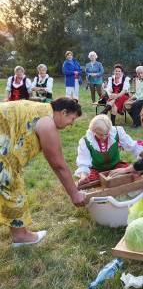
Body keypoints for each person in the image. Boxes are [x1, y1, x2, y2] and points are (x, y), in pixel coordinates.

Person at [0, 98, 86, 246]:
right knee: (10, 181)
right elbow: (57, 163)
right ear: (63, 112)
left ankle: (20, 235)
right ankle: (21, 236)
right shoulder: (47, 122)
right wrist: (75, 194)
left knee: (11, 180)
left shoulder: (40, 109)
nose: (71, 124)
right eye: (72, 119)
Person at [75, 114, 143, 185]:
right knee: (88, 181)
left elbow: (132, 146)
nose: (103, 137)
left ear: (109, 129)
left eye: (105, 134)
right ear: (93, 131)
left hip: (116, 166)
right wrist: (83, 176)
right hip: (96, 169)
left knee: (131, 172)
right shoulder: (86, 141)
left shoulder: (117, 132)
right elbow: (83, 162)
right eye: (99, 134)